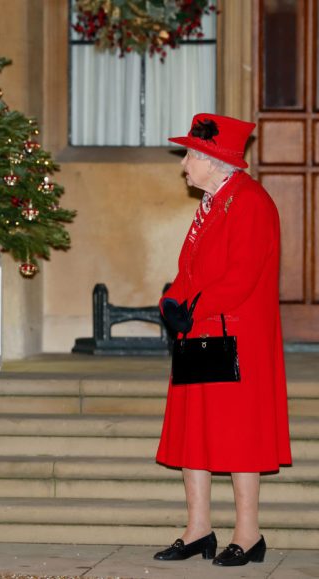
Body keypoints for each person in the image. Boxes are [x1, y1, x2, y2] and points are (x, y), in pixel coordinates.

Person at [154, 113, 291, 567]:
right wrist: (172, 302)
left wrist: (192, 309)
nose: (185, 164)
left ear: (215, 159)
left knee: (238, 436)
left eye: (192, 154)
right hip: (202, 333)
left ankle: (248, 534)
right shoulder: (215, 202)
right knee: (196, 432)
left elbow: (242, 278)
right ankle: (198, 530)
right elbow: (189, 269)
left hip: (236, 339)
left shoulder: (250, 202)